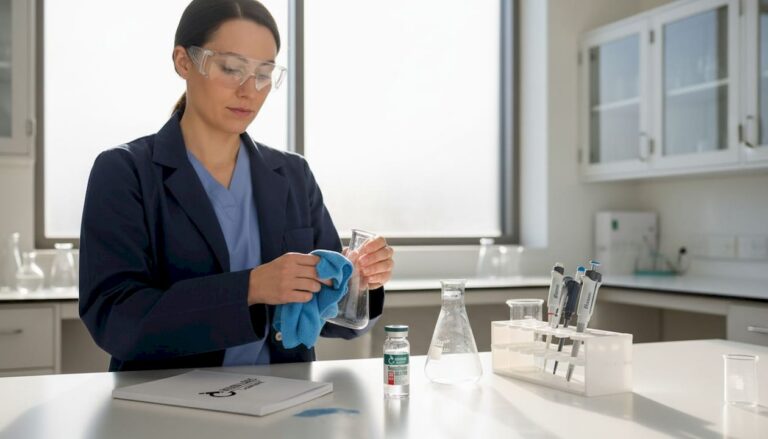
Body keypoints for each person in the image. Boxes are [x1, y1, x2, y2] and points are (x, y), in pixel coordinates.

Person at [79, 0, 394, 372]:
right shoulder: (124, 172)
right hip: (166, 406)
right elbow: (116, 319)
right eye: (231, 69)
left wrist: (360, 280)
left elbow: (329, 317)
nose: (250, 90)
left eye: (264, 74)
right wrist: (251, 288)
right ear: (183, 61)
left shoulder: (293, 175)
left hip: (280, 405)